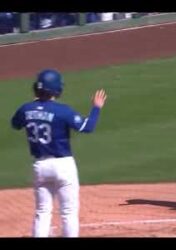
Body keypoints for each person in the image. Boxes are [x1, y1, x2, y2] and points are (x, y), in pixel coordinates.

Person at [11, 69, 107, 237]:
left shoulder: (26, 109)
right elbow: (87, 127)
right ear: (57, 89)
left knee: (42, 211)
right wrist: (96, 108)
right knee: (68, 212)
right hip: (63, 166)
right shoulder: (62, 111)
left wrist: (35, 108)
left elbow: (15, 124)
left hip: (40, 166)